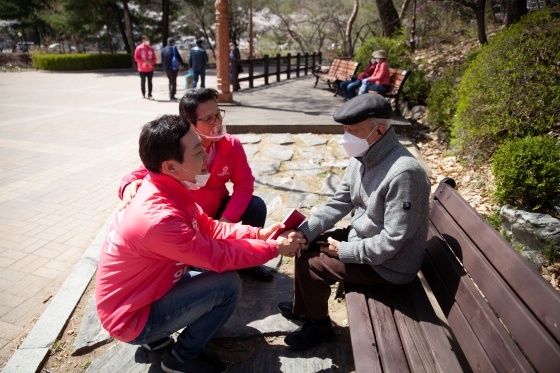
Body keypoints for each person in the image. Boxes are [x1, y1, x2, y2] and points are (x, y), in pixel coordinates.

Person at [96, 114, 305, 373]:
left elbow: (209, 227)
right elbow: (219, 256)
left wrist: (258, 235)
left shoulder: (164, 188)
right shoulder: (159, 219)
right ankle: (180, 359)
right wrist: (275, 248)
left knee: (213, 275)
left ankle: (156, 341)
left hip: (141, 293)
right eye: (198, 151)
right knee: (227, 285)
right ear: (171, 166)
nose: (208, 157)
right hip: (131, 317)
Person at [277, 94, 431, 350]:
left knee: (312, 264)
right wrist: (305, 231)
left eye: (353, 130)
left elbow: (394, 240)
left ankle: (319, 324)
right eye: (345, 129)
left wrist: (346, 251)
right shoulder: (363, 155)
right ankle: (305, 308)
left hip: (390, 266)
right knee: (306, 245)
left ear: (379, 130)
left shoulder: (404, 173)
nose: (346, 137)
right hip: (365, 240)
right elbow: (339, 202)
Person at [118, 88, 275, 282]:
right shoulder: (176, 150)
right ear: (189, 123)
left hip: (213, 214)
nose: (217, 122)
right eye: (208, 119)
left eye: (218, 114)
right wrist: (129, 187)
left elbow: (244, 184)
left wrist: (227, 219)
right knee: (209, 268)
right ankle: (197, 264)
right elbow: (140, 173)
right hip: (187, 220)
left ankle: (250, 261)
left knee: (255, 205)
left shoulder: (231, 145)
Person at [134, 35, 156, 100]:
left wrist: (151, 62)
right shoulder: (139, 48)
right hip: (142, 69)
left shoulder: (151, 49)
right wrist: (144, 61)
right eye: (146, 40)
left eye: (148, 40)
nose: (148, 41)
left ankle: (150, 94)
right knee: (143, 82)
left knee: (150, 82)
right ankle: (143, 94)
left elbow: (154, 58)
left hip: (150, 69)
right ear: (143, 40)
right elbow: (136, 58)